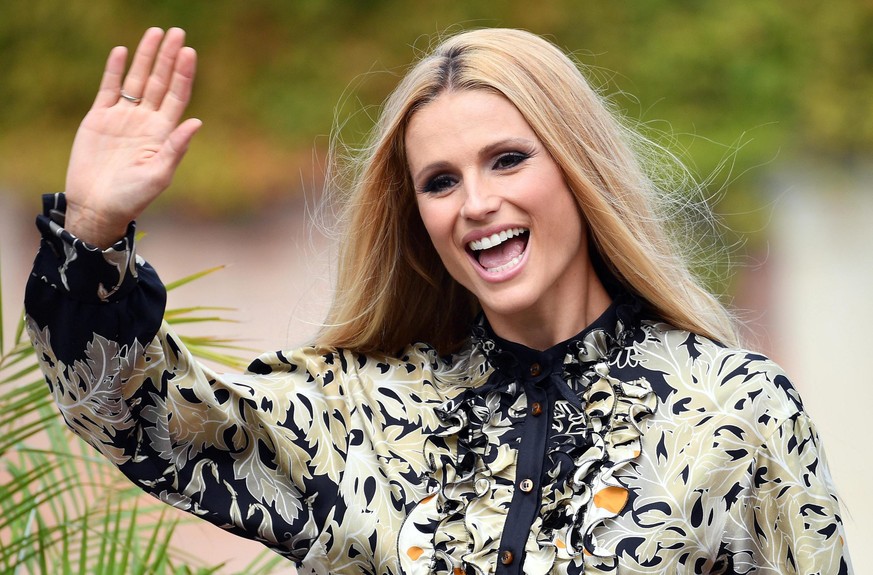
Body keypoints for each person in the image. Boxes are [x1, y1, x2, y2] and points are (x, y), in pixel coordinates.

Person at [25, 26, 852, 575]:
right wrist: (95, 231)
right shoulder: (358, 412)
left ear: (578, 168)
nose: (476, 202)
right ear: (419, 218)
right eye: (440, 181)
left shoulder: (737, 411)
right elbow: (133, 412)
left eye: (506, 159)